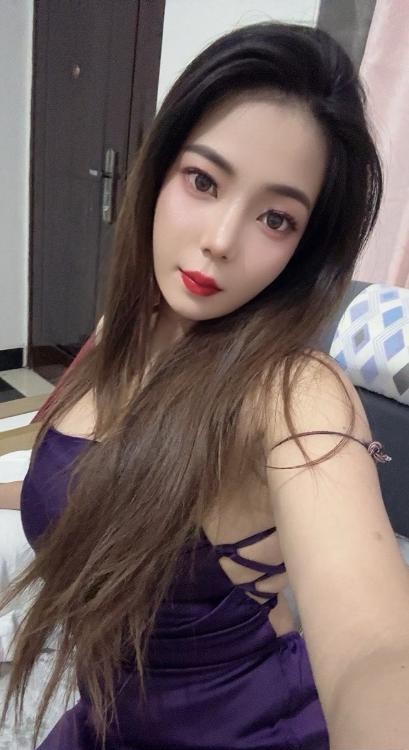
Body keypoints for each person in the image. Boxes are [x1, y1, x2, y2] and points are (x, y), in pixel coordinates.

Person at [1, 21, 409, 750]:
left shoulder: (291, 390)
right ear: (158, 170)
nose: (221, 239)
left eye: (275, 218)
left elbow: (376, 654)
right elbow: (81, 484)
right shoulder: (119, 335)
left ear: (305, 246)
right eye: (203, 180)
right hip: (104, 721)